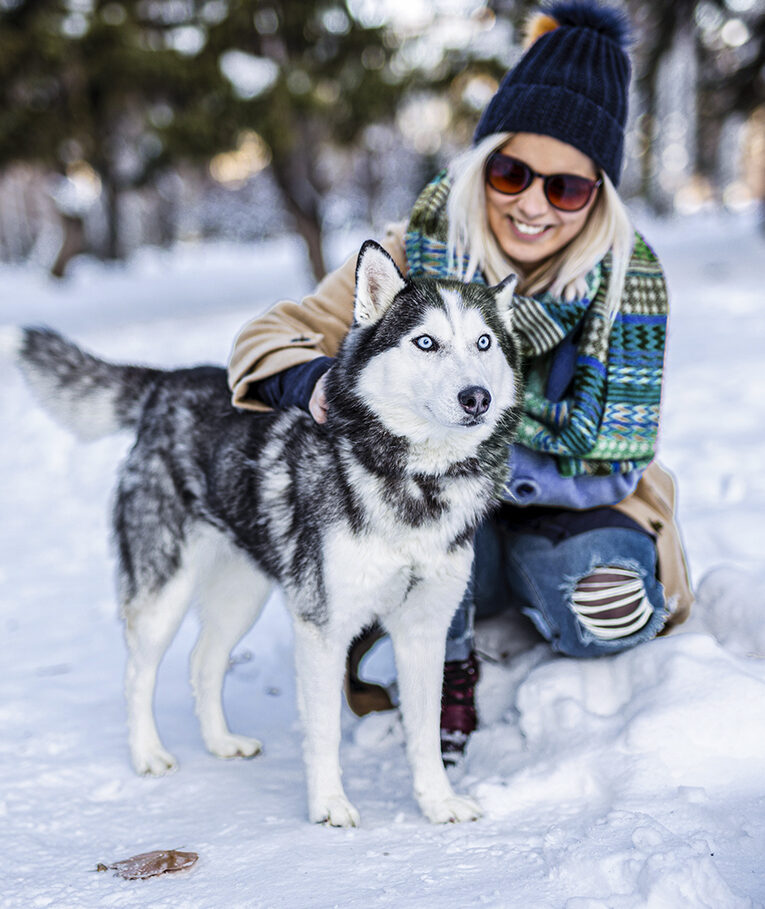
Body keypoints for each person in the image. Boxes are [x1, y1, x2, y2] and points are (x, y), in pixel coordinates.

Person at [226, 1, 694, 761]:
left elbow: (614, 447)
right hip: (427, 499)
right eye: (513, 172)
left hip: (567, 496)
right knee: (433, 543)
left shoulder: (624, 286)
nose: (532, 204)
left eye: (566, 188)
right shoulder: (414, 255)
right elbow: (267, 338)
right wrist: (316, 382)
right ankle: (450, 647)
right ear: (484, 163)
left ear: (597, 197)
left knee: (599, 603)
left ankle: (524, 597)